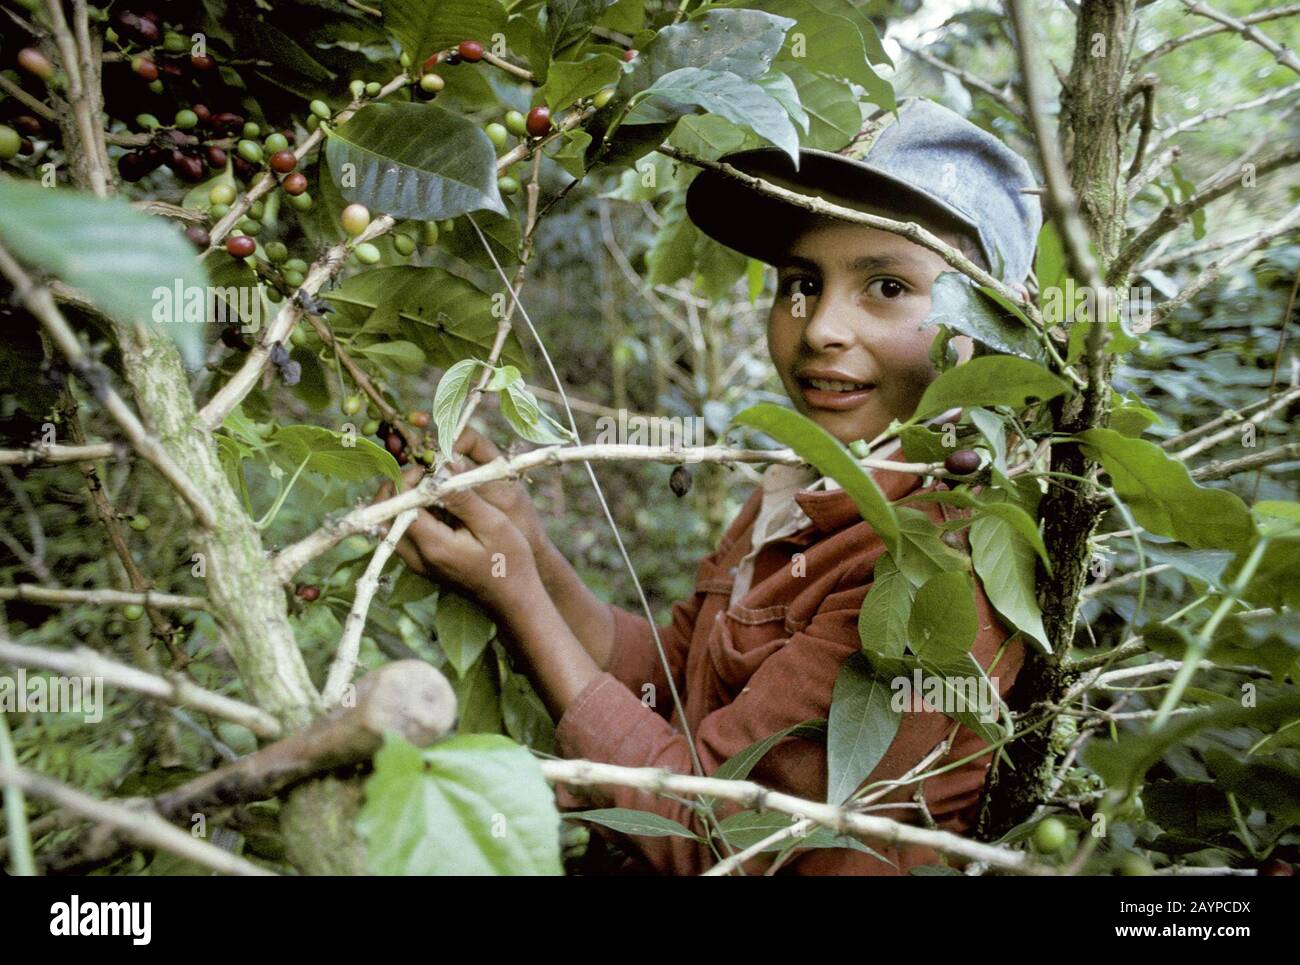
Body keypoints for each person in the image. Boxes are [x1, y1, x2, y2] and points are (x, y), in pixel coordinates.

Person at [381, 97, 1044, 875]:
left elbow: (719, 837)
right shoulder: (806, 484)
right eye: (800, 282)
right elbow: (671, 678)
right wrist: (521, 541)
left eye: (888, 287)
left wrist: (516, 595)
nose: (821, 325)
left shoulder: (941, 564)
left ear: (992, 327)